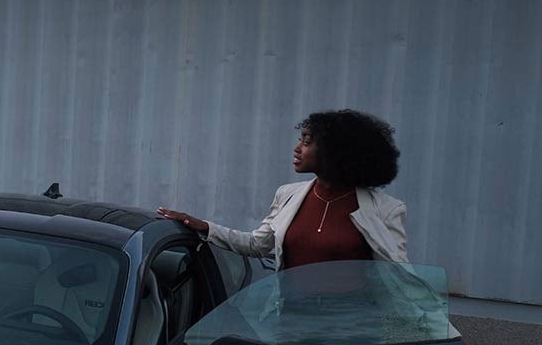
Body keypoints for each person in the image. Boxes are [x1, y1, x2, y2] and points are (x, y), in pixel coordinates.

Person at [158, 109, 408, 269]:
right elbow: (257, 245)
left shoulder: (386, 210)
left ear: (336, 153)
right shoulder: (288, 195)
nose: (297, 148)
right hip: (290, 324)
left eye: (307, 142)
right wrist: (205, 226)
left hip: (349, 332)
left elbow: (399, 279)